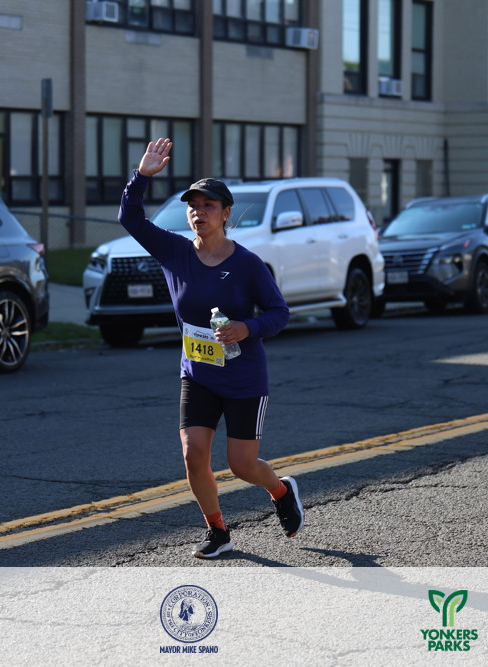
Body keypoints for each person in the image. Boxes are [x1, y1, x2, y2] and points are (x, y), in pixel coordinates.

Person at [118, 137, 303, 558]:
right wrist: (141, 176)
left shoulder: (247, 264)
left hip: (243, 377)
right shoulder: (174, 252)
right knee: (193, 454)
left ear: (226, 213)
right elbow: (129, 218)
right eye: (193, 206)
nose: (199, 213)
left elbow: (279, 313)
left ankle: (280, 490)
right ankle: (218, 531)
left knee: (242, 465)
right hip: (197, 373)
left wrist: (246, 328)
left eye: (208, 206)